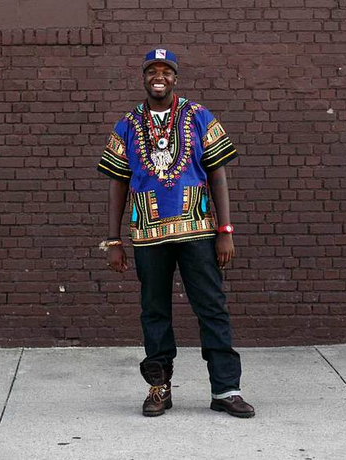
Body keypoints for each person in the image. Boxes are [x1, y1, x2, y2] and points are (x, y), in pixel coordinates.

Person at [97, 48, 255, 418]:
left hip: (197, 231)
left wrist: (225, 230)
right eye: (152, 71)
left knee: (212, 307)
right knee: (154, 312)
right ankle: (159, 388)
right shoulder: (127, 125)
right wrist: (113, 240)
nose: (159, 77)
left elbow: (217, 173)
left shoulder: (198, 116)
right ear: (143, 78)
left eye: (166, 71)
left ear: (175, 78)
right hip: (148, 235)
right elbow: (118, 181)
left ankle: (226, 390)